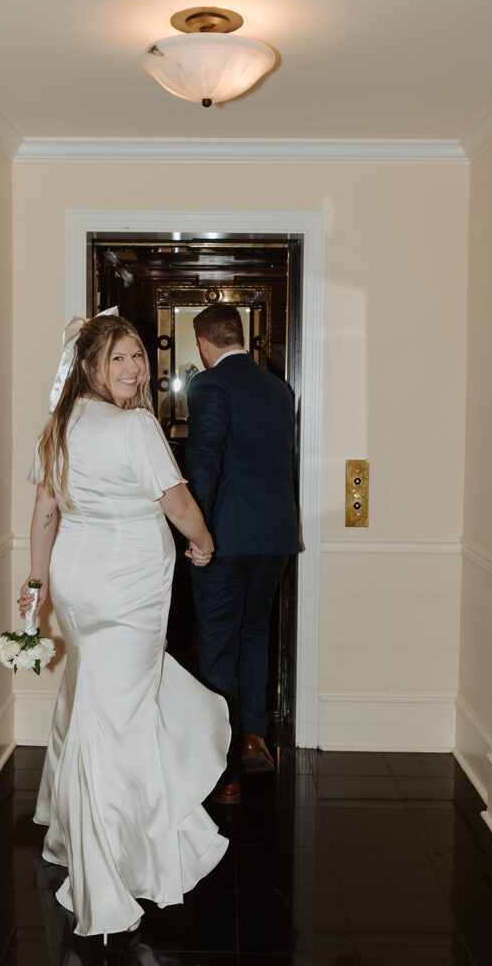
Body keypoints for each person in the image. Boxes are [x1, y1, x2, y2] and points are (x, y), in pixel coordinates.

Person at [18, 311, 230, 940]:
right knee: (120, 718)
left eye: (139, 356)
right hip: (128, 588)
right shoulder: (135, 425)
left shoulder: (60, 425)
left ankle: (73, 827)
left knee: (97, 700)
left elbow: (44, 514)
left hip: (82, 584)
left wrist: (38, 585)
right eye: (120, 358)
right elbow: (178, 502)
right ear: (90, 366)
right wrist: (205, 542)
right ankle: (110, 870)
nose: (135, 368)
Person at [185, 304, 299, 805]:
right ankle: (254, 733)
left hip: (225, 537)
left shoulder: (209, 384)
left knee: (217, 644)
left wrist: (198, 530)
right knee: (255, 632)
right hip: (273, 536)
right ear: (239, 336)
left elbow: (205, 457)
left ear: (204, 344)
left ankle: (223, 768)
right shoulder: (279, 389)